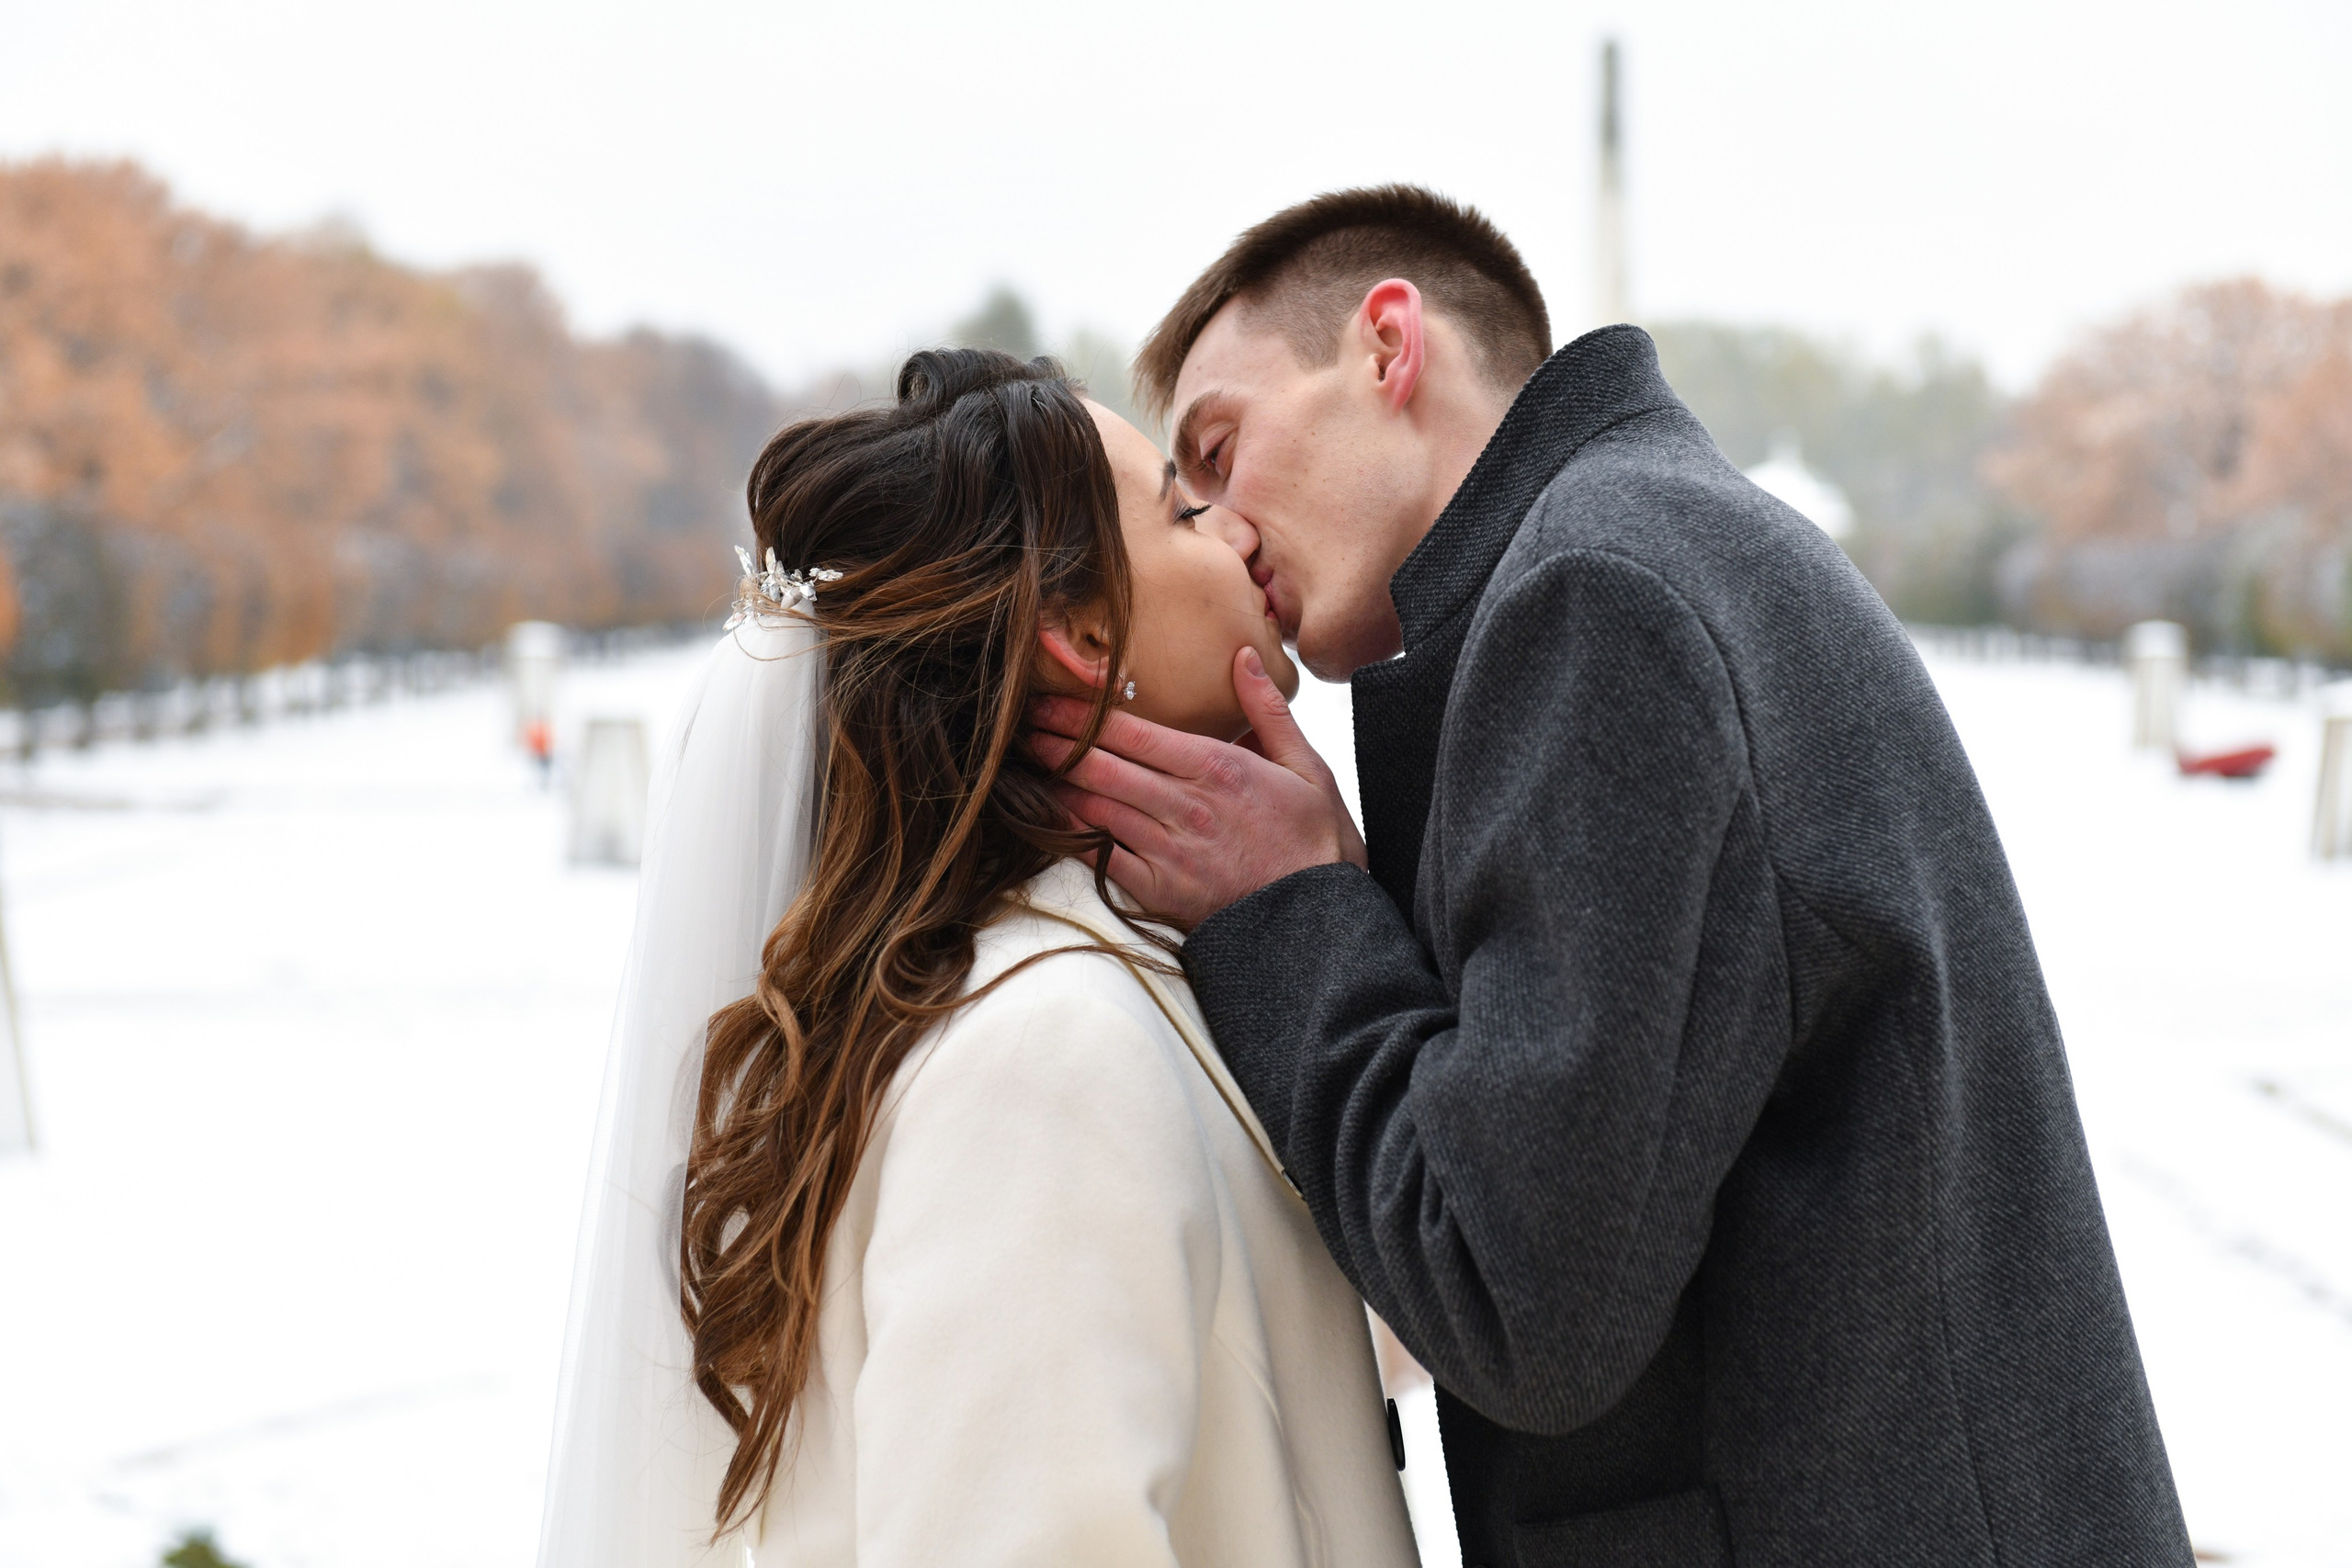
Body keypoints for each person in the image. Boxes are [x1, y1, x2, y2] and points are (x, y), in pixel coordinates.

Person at [1034, 186, 2194, 1566]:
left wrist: (1292, 916)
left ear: (1389, 347)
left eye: (1220, 450)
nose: (1221, 529)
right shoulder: (1648, 545)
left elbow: (1525, 1301)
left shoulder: (1601, 600)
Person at [536, 349, 1419, 1568]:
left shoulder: (1099, 985)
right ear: (1079, 633)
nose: (1240, 530)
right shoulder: (1041, 1055)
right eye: (1182, 508)